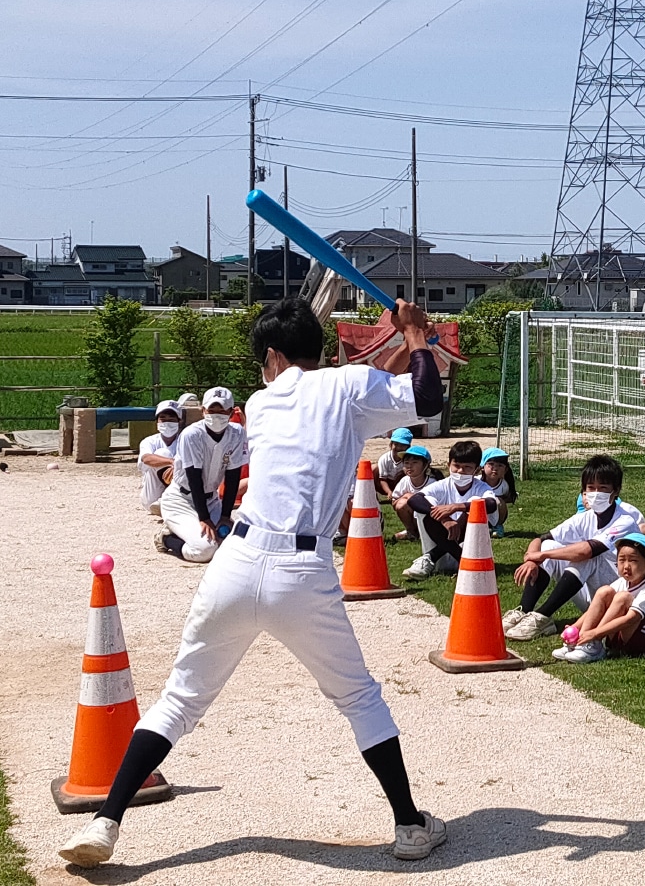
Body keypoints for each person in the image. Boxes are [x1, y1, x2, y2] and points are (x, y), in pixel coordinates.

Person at [58, 296, 448, 868]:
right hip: (303, 573)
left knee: (180, 700)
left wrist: (388, 352)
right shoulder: (347, 388)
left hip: (236, 563)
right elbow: (426, 399)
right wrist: (416, 336)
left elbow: (352, 394)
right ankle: (410, 826)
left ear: (271, 355)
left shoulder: (264, 403)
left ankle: (105, 822)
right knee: (358, 697)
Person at [503, 455, 645, 642]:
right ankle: (523, 611)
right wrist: (533, 559)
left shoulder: (625, 521)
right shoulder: (585, 517)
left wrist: (541, 554)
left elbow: (587, 551)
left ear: (616, 491)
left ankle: (542, 617)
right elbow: (541, 538)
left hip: (620, 597)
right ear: (583, 492)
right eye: (591, 488)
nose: (596, 493)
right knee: (550, 545)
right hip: (593, 594)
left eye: (603, 488)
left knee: (588, 556)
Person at [153, 387, 248, 564]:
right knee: (205, 550)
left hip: (212, 501)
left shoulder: (237, 433)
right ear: (203, 410)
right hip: (181, 499)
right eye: (212, 410)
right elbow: (194, 477)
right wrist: (204, 519)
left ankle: (191, 529)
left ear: (231, 411)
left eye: (222, 410)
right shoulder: (192, 434)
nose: (217, 415)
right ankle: (166, 538)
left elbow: (233, 475)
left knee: (238, 542)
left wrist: (225, 516)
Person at [553, 533, 645, 664]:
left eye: (633, 560)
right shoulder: (622, 582)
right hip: (621, 636)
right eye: (621, 560)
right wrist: (575, 628)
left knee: (623, 598)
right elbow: (595, 607)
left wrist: (595, 633)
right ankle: (580, 643)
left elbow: (631, 619)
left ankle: (594, 643)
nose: (626, 566)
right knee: (604, 592)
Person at [400, 440, 498, 579]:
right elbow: (415, 500)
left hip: (468, 547)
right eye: (456, 466)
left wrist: (456, 507)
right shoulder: (442, 485)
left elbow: (491, 504)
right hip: (445, 545)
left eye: (467, 467)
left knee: (476, 504)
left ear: (476, 470)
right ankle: (459, 561)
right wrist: (444, 518)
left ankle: (430, 557)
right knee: (427, 508)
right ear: (448, 465)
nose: (460, 471)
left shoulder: (481, 487)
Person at [138, 400, 183, 514]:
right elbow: (146, 458)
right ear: (157, 422)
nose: (167, 423)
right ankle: (166, 503)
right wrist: (173, 462)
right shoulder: (149, 441)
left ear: (179, 421)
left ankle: (167, 502)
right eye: (163, 419)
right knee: (163, 453)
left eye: (172, 420)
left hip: (179, 488)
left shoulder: (186, 440)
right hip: (152, 495)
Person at [389, 444, 433, 541]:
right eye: (406, 463)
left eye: (414, 462)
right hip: (412, 515)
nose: (409, 466)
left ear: (425, 465)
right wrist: (406, 497)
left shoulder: (433, 483)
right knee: (402, 503)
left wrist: (412, 497)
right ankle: (411, 532)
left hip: (428, 518)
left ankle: (424, 532)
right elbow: (394, 503)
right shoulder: (405, 481)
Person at [478, 447, 516, 539]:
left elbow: (506, 500)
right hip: (478, 513)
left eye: (500, 466)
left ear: (505, 469)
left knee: (499, 501)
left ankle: (497, 527)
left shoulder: (504, 485)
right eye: (491, 464)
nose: (495, 469)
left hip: (495, 514)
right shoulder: (477, 482)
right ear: (482, 467)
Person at [374, 428, 414, 500]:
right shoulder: (384, 458)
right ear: (391, 445)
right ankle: (373, 497)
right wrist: (389, 492)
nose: (399, 447)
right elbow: (382, 479)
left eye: (402, 445)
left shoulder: (409, 460)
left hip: (402, 486)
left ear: (408, 447)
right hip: (385, 485)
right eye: (396, 444)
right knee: (373, 469)